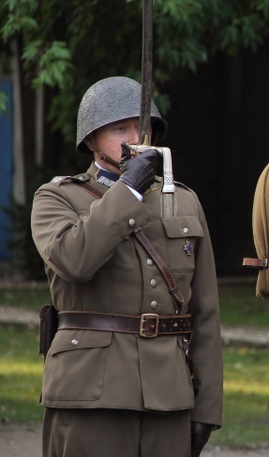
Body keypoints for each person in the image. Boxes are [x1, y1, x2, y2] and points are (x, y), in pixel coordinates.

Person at [30, 77, 223, 457]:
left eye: (144, 126)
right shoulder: (57, 198)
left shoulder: (182, 201)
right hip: (90, 393)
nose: (136, 138)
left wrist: (207, 405)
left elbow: (205, 313)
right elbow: (75, 259)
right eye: (121, 128)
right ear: (90, 140)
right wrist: (128, 191)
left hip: (169, 396)